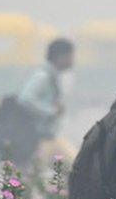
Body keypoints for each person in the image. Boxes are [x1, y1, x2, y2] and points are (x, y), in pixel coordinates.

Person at [17, 38, 75, 168]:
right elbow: (25, 99)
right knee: (34, 177)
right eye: (71, 56)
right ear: (60, 57)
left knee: (75, 168)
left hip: (50, 138)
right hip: (38, 140)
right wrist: (51, 111)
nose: (73, 60)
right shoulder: (42, 76)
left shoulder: (53, 76)